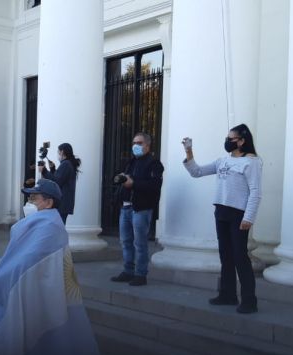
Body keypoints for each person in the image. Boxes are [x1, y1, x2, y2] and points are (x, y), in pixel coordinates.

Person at [0, 179, 98, 355]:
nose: (29, 203)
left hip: (40, 290)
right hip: (33, 288)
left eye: (34, 198)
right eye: (29, 198)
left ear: (49, 203)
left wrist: (4, 275)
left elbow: (27, 261)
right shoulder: (36, 225)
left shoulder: (50, 227)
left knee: (42, 337)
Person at [182, 123, 263, 314]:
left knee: (240, 256)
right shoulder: (222, 161)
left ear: (242, 141)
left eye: (231, 138)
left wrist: (249, 217)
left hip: (238, 213)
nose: (227, 141)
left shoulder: (251, 162)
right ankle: (227, 294)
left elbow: (256, 192)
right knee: (225, 255)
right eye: (227, 138)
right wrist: (189, 151)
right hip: (221, 210)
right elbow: (197, 172)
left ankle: (249, 300)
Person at [110, 132, 165, 287]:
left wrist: (133, 183)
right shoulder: (130, 162)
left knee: (139, 243)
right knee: (125, 241)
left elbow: (154, 186)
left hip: (141, 208)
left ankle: (141, 274)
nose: (136, 145)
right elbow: (123, 179)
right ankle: (128, 271)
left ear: (147, 145)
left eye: (139, 143)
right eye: (134, 142)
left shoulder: (154, 164)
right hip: (126, 207)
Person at [38, 142, 80, 224]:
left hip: (62, 203)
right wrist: (53, 169)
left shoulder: (66, 164)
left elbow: (56, 182)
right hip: (64, 203)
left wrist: (44, 171)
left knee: (57, 226)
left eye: (58, 152)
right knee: (59, 225)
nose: (58, 154)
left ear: (62, 152)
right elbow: (60, 178)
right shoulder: (68, 164)